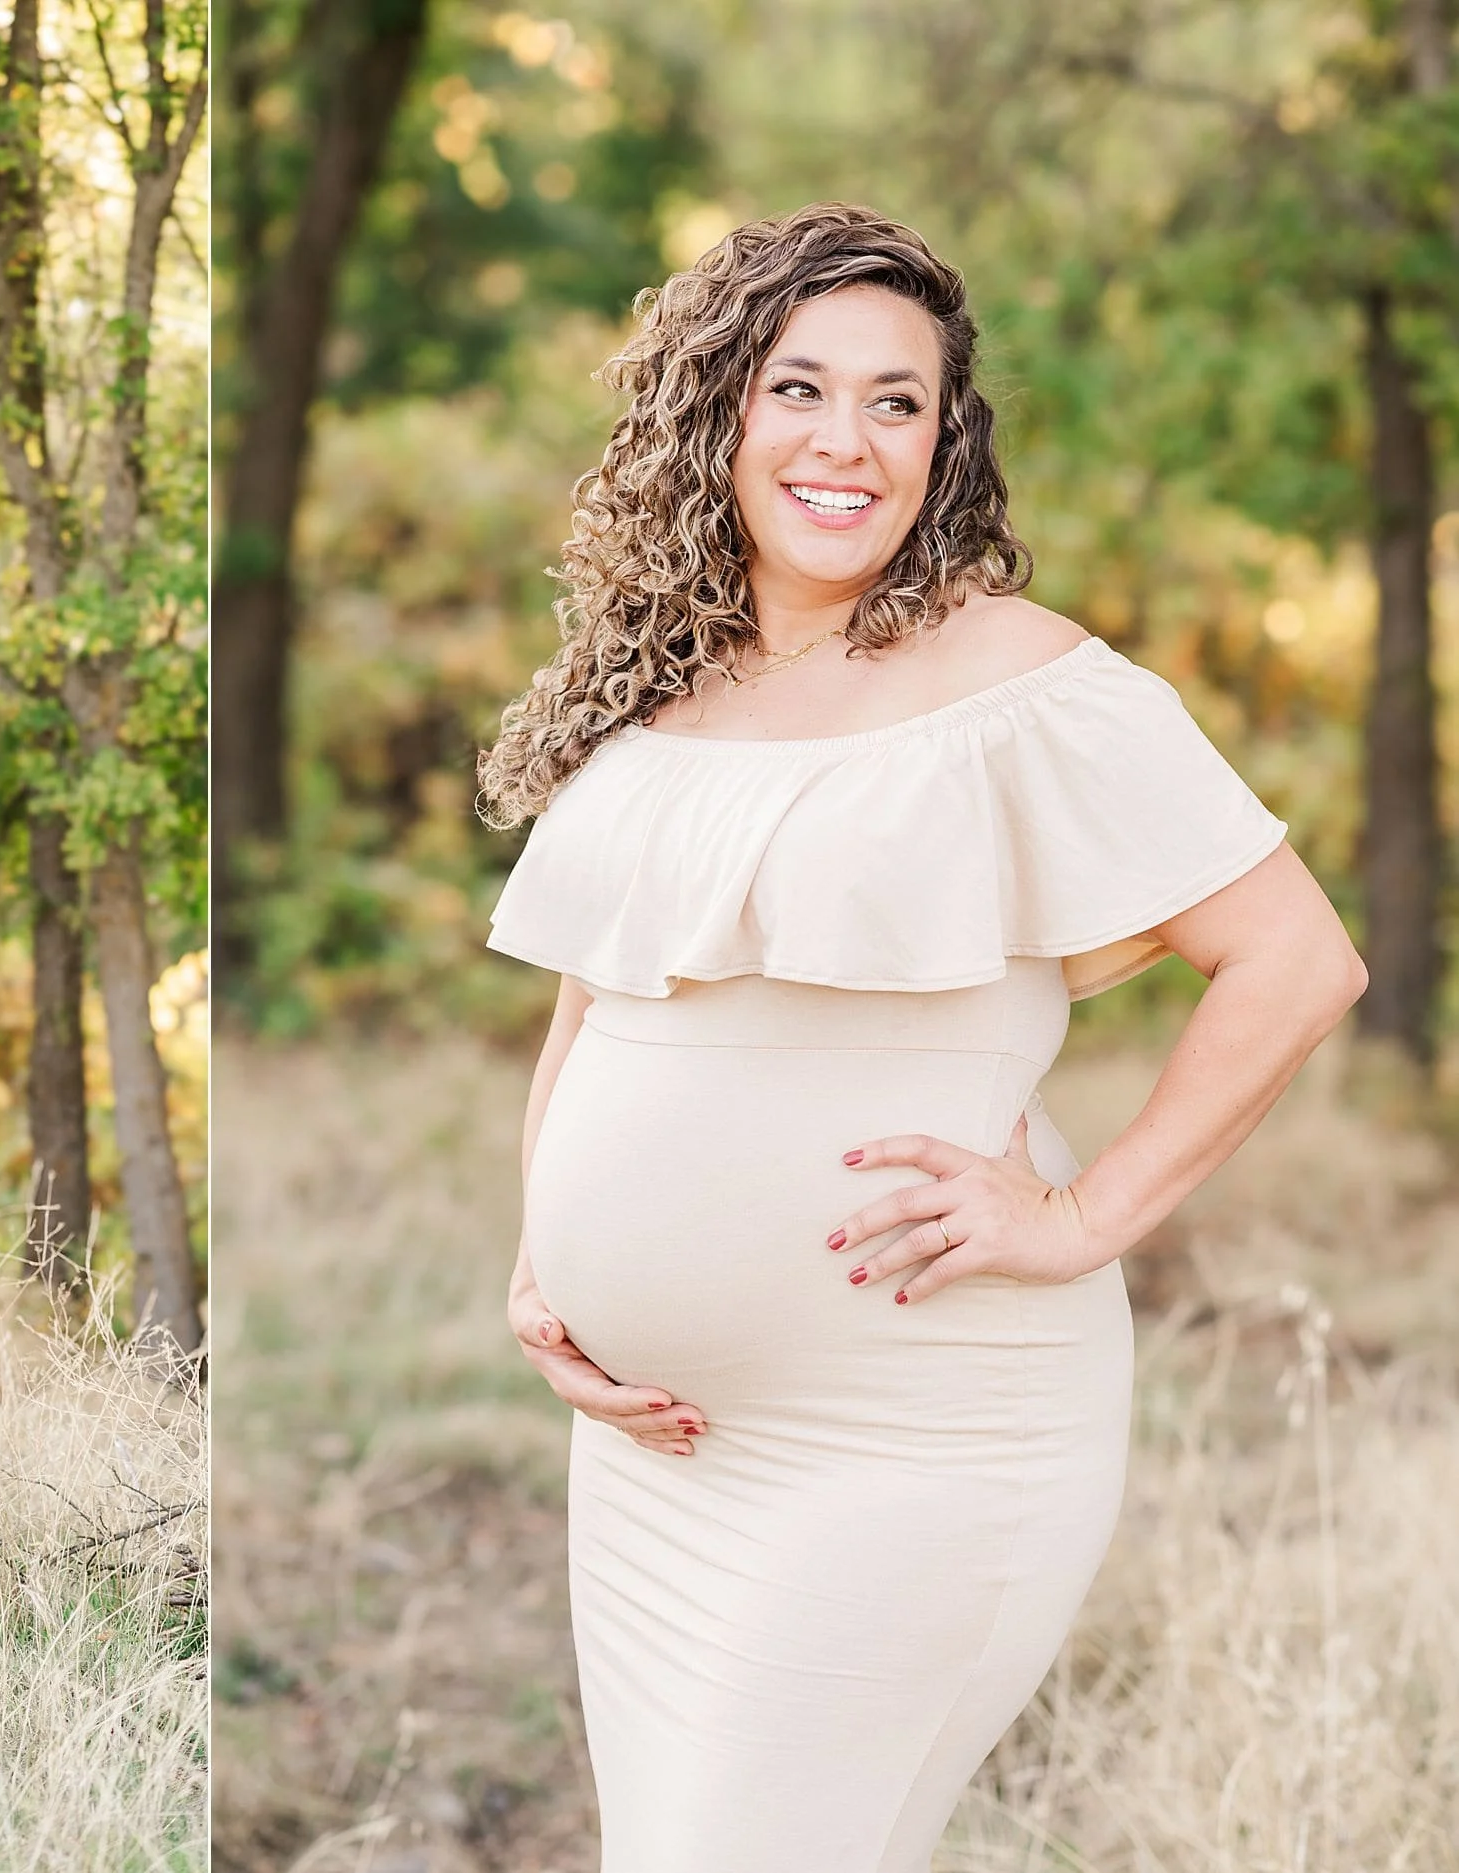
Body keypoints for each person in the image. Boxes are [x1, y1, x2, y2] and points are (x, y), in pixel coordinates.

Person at [475, 203, 1368, 1871]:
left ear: (945, 437)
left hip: (919, 1429)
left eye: (900, 400)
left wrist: (1081, 1216)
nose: (848, 439)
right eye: (800, 387)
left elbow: (1296, 960)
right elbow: (599, 997)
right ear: (717, 408)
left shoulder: (1026, 684)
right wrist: (548, 1262)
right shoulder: (656, 688)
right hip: (661, 1454)